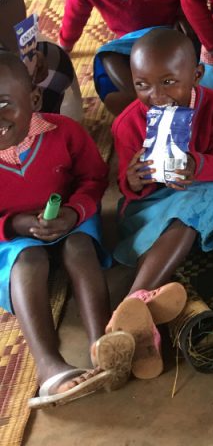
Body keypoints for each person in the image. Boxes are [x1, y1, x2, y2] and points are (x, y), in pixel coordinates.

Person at [0, 53, 134, 408]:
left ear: (33, 100)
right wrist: (13, 224)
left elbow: (93, 178)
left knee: (79, 248)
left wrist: (75, 213)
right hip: (12, 238)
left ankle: (103, 343)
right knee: (27, 262)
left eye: (3, 103)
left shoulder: (65, 132)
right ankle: (48, 367)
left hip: (69, 220)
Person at [111, 29, 213, 378]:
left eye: (169, 82)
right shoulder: (128, 123)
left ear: (196, 75)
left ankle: (130, 304)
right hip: (153, 201)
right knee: (158, 220)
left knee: (191, 210)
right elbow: (126, 185)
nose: (157, 96)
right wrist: (135, 179)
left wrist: (197, 164)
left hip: (205, 187)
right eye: (143, 85)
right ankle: (141, 321)